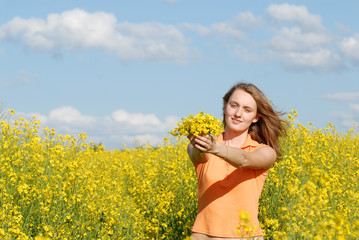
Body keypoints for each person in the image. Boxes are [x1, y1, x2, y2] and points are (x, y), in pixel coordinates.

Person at [187, 82, 286, 240]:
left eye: (247, 110)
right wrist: (199, 143)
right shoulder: (200, 147)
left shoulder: (265, 152)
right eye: (234, 105)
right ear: (225, 106)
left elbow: (244, 159)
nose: (238, 114)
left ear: (256, 117)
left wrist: (214, 147)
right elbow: (198, 154)